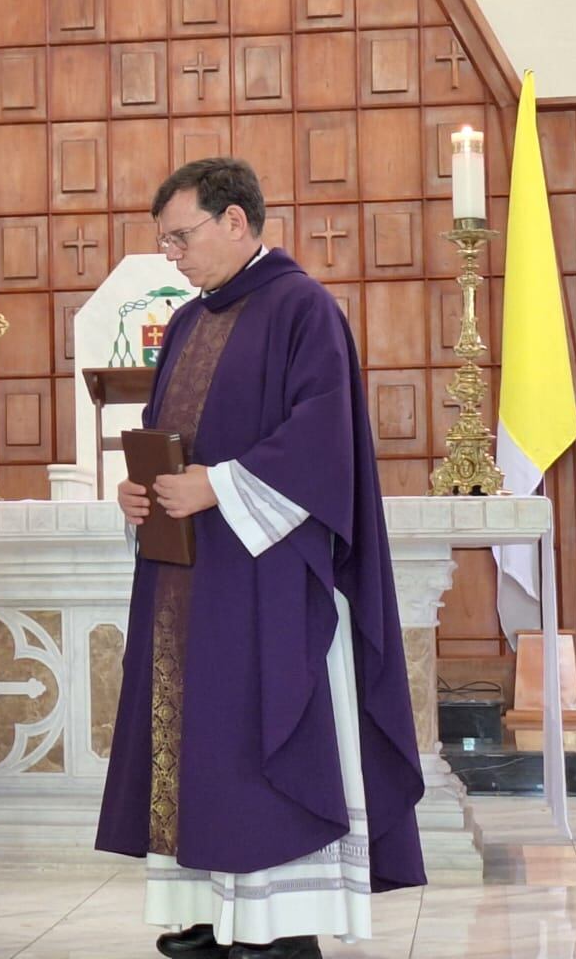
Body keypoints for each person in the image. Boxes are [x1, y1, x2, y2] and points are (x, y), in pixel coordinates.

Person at [96, 159, 426, 959]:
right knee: (199, 743)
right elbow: (166, 440)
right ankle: (214, 913)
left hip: (268, 579)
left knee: (256, 740)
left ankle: (277, 928)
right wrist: (140, 495)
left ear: (236, 221)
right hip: (189, 575)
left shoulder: (301, 309)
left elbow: (324, 439)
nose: (172, 253)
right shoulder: (186, 322)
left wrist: (222, 488)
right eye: (165, 239)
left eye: (182, 235)